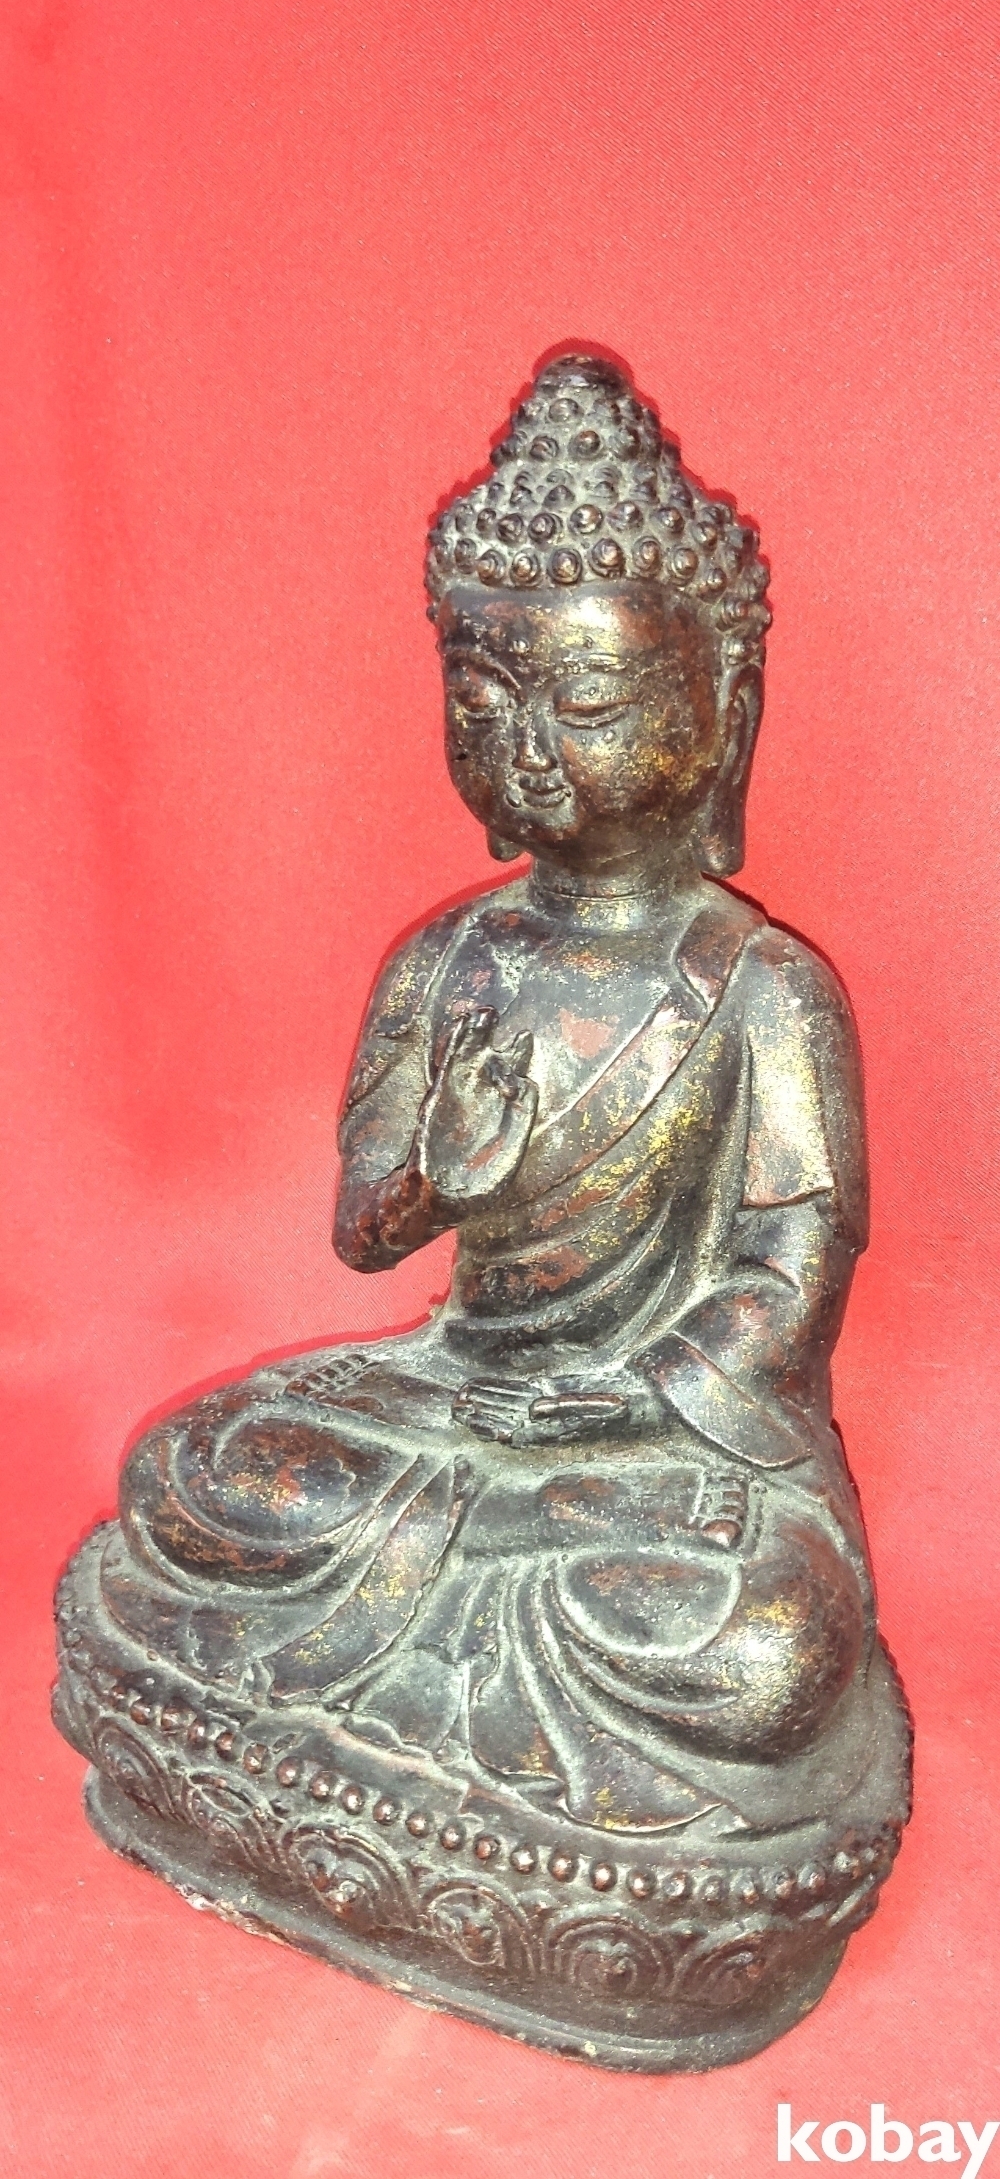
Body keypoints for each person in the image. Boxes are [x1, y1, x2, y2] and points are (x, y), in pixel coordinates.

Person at [96, 353, 877, 1839]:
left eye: (586, 698)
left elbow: (786, 1277)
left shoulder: (765, 990)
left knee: (771, 1649)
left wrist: (615, 1403)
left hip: (650, 1438)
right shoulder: (445, 963)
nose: (526, 751)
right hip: (457, 1389)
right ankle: (491, 1557)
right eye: (482, 700)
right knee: (190, 1470)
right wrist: (439, 1184)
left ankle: (470, 1578)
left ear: (725, 709)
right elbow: (361, 1237)